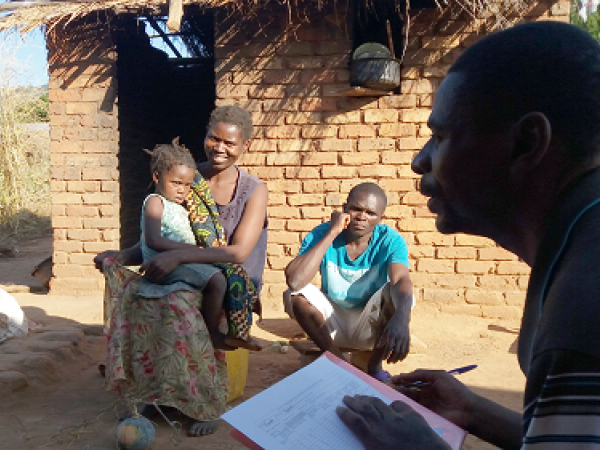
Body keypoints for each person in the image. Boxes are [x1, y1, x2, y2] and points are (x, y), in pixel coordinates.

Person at [336, 21, 600, 449]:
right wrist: (474, 412)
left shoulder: (584, 306)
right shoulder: (580, 248)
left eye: (440, 137)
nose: (419, 162)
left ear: (526, 144)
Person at [95, 104, 268, 437]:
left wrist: (177, 259)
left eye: (230, 143)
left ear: (245, 145)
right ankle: (153, 390)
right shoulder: (185, 175)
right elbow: (157, 238)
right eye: (213, 138)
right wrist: (119, 255)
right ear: (204, 135)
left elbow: (238, 252)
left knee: (176, 307)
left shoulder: (253, 189)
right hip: (185, 269)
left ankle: (203, 398)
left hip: (231, 281)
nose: (220, 148)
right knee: (138, 300)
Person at [284, 182, 414, 381]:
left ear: (381, 218)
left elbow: (401, 279)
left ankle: (374, 367)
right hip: (328, 323)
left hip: (370, 326)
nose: (362, 216)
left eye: (370, 213)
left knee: (396, 294)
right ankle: (337, 361)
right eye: (355, 209)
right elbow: (294, 280)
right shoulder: (323, 233)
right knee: (295, 295)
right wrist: (332, 232)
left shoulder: (390, 240)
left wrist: (403, 318)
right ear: (344, 209)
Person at [139, 138, 259, 350]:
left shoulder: (185, 206)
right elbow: (153, 239)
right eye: (176, 183)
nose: (182, 191)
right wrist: (193, 251)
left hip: (181, 262)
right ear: (157, 177)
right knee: (217, 280)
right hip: (160, 263)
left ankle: (240, 328)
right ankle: (212, 333)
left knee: (232, 276)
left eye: (187, 185)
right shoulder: (155, 202)